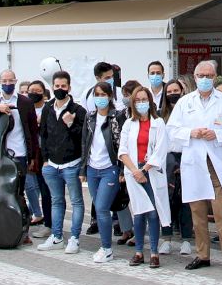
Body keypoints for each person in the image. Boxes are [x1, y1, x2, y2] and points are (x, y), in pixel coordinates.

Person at [167, 60, 222, 274]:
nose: (204, 79)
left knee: (221, 212)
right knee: (198, 213)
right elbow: (171, 130)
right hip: (194, 162)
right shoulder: (185, 102)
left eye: (209, 76)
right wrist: (190, 133)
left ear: (215, 77)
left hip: (215, 162)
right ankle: (203, 255)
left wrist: (216, 134)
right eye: (201, 75)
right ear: (194, 77)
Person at [0, 69, 41, 244]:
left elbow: (32, 130)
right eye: (4, 81)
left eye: (11, 81)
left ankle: (22, 230)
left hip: (19, 154)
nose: (7, 84)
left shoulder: (25, 102)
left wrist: (32, 156)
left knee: (18, 193)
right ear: (0, 82)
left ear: (15, 81)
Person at [118, 86, 173, 268]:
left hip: (151, 172)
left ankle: (154, 253)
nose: (141, 103)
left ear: (150, 101)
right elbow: (123, 151)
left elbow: (160, 150)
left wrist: (145, 170)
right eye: (137, 100)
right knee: (139, 212)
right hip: (133, 173)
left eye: (144, 99)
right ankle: (139, 252)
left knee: (153, 212)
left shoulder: (158, 123)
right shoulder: (128, 124)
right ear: (133, 103)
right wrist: (135, 171)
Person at [37, 70, 87, 254]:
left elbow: (84, 138)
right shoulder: (48, 108)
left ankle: (74, 238)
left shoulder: (78, 110)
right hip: (51, 164)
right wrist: (44, 160)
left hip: (72, 164)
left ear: (69, 88)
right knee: (56, 201)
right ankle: (57, 236)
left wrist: (71, 124)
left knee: (76, 201)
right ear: (52, 87)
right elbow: (43, 135)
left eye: (63, 86)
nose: (60, 89)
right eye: (56, 86)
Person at [81, 81, 124, 262]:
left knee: (101, 207)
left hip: (110, 168)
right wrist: (83, 168)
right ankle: (105, 246)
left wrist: (122, 170)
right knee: (99, 208)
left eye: (103, 94)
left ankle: (106, 248)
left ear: (110, 96)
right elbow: (85, 142)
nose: (100, 98)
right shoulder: (90, 117)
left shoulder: (117, 116)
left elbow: (122, 144)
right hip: (92, 169)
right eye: (97, 95)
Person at [160, 79, 193, 256]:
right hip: (167, 159)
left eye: (176, 91)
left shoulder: (189, 111)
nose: (173, 94)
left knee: (186, 201)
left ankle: (186, 240)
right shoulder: (160, 115)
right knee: (167, 200)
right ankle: (166, 239)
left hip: (186, 157)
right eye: (169, 91)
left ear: (182, 91)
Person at [25, 81, 52, 238]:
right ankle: (32, 215)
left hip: (45, 153)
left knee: (46, 190)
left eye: (38, 90)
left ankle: (49, 224)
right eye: (31, 90)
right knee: (29, 187)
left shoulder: (48, 108)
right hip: (29, 153)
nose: (34, 93)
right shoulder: (25, 108)